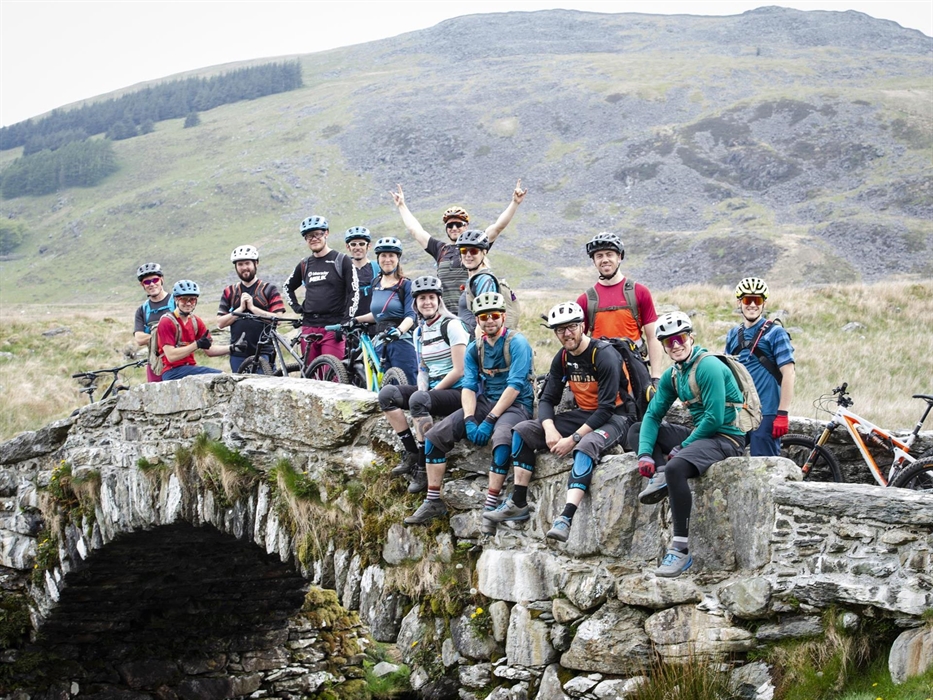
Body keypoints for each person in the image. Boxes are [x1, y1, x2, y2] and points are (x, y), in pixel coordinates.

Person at [489, 302, 637, 540]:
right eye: (560, 330)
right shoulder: (563, 357)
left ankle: (565, 517)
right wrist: (548, 428)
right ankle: (518, 502)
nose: (567, 334)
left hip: (617, 416)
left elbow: (607, 407)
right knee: (522, 431)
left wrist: (573, 438)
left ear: (582, 327)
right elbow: (548, 398)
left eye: (572, 327)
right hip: (585, 413)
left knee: (586, 446)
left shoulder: (605, 355)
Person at [627, 311, 745, 578]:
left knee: (676, 467)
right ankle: (658, 474)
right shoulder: (673, 375)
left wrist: (684, 446)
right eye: (669, 342)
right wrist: (646, 455)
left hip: (727, 437)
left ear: (691, 337)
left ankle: (680, 549)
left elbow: (714, 418)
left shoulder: (709, 367)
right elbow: (653, 415)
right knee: (636, 431)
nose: (676, 345)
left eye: (680, 338)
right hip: (702, 435)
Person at [404, 292, 535, 525]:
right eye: (483, 317)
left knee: (502, 438)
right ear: (477, 320)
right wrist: (469, 418)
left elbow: (515, 386)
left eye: (494, 315)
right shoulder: (476, 348)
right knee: (435, 436)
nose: (489, 321)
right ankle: (433, 500)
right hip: (487, 401)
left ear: (503, 317)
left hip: (516, 405)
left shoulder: (517, 343)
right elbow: (468, 386)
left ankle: (490, 506)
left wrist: (489, 420)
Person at [378, 276, 470, 493]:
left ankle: (421, 467)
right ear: (415, 303)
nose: (427, 302)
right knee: (387, 394)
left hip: (459, 391)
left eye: (431, 297)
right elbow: (423, 369)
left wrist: (430, 393)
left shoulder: (453, 325)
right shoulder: (419, 332)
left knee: (419, 399)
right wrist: (422, 390)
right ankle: (411, 452)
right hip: (433, 389)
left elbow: (460, 370)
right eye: (422, 298)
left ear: (439, 300)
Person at [390, 180, 527, 311]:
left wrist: (514, 203)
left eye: (459, 224)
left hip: (471, 313)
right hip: (446, 315)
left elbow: (498, 227)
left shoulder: (477, 244)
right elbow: (416, 231)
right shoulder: (440, 249)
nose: (454, 228)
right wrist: (402, 206)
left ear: (466, 226)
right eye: (450, 225)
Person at [576, 232, 663, 391]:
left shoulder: (640, 292)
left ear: (620, 257)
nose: (605, 259)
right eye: (599, 256)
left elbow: (653, 336)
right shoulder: (585, 300)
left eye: (610, 254)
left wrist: (656, 377)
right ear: (594, 261)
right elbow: (576, 343)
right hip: (600, 374)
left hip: (635, 373)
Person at [725, 277, 796, 456]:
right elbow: (727, 373)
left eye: (757, 300)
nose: (752, 305)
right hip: (739, 412)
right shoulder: (733, 334)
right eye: (748, 300)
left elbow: (789, 373)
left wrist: (782, 414)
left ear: (764, 303)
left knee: (765, 465)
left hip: (767, 412)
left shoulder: (775, 333)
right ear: (739, 302)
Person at [283, 216, 360, 364]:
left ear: (326, 233)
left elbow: (354, 291)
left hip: (333, 327)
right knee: (310, 375)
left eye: (317, 234)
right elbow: (287, 287)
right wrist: (297, 308)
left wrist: (346, 320)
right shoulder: (304, 264)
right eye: (309, 236)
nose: (313, 239)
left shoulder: (341, 260)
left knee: (332, 374)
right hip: (308, 327)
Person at [353, 237, 418, 384]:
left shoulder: (406, 285)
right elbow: (378, 314)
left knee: (407, 385)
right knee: (385, 388)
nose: (387, 259)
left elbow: (410, 315)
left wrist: (399, 331)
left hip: (402, 342)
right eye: (383, 255)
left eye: (391, 255)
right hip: (380, 342)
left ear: (398, 258)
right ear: (378, 258)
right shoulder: (375, 283)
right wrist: (356, 320)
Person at [216, 245, 286, 373]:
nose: (244, 268)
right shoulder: (229, 291)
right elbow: (220, 323)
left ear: (256, 263)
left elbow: (278, 318)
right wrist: (240, 309)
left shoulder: (269, 289)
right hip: (238, 353)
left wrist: (253, 308)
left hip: (264, 352)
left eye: (247, 263)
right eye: (240, 264)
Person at [157, 280, 231, 381]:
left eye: (192, 300)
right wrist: (196, 345)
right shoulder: (166, 321)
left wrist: (232, 348)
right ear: (176, 299)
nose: (188, 303)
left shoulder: (196, 321)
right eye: (183, 299)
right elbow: (171, 356)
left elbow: (210, 350)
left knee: (222, 378)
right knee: (221, 377)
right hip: (172, 371)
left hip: (190, 368)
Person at [454, 229, 506, 335]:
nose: (468, 255)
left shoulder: (484, 280)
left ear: (484, 252)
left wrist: (477, 349)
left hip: (477, 343)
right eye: (464, 250)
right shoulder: (473, 280)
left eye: (473, 251)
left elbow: (486, 320)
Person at [133, 262, 175, 383]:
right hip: (155, 363)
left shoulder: (176, 302)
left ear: (161, 280)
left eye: (155, 280)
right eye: (146, 282)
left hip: (178, 360)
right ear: (142, 285)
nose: (151, 284)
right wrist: (166, 335)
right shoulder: (142, 310)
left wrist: (152, 336)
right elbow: (140, 338)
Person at [345, 227, 381, 322]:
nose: (357, 248)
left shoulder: (378, 268)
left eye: (361, 244)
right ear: (348, 247)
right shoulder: (343, 270)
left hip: (374, 323)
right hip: (348, 324)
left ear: (368, 246)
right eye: (353, 244)